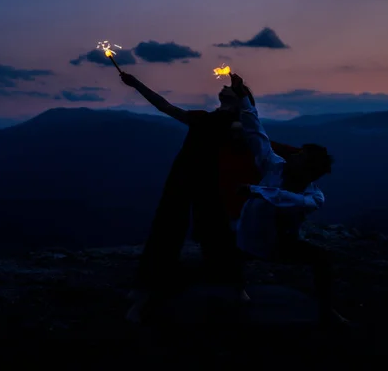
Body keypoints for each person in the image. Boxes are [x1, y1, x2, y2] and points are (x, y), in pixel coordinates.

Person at [119, 72, 300, 323]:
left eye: (231, 88)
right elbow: (165, 106)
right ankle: (146, 289)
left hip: (212, 180)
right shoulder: (204, 118)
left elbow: (262, 141)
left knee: (217, 233)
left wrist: (297, 156)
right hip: (183, 176)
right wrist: (136, 83)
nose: (224, 87)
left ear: (240, 100)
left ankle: (235, 287)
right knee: (167, 230)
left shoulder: (241, 124)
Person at [230, 73, 349, 326]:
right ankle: (236, 291)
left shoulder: (313, 196)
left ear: (307, 169)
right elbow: (256, 133)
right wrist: (243, 97)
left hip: (280, 245)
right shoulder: (275, 166)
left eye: (300, 156)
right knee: (226, 247)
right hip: (250, 237)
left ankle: (327, 310)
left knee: (322, 260)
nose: (293, 155)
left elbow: (287, 199)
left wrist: (254, 190)